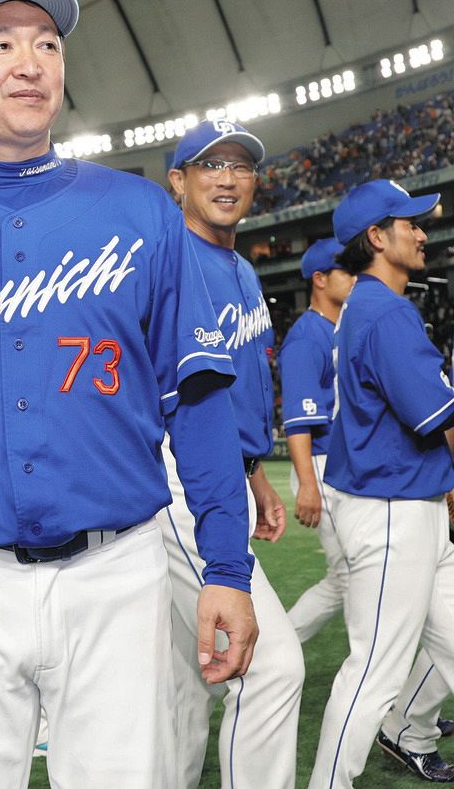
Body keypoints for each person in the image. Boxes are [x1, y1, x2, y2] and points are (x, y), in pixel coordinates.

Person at [0, 0, 256, 788]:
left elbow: (198, 399)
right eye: (1, 43)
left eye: (47, 43)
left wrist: (227, 571)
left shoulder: (140, 212)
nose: (30, 62)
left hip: (117, 574)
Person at [162, 121, 306, 789]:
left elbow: (239, 391)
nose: (226, 177)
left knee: (186, 686)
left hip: (225, 468)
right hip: (176, 470)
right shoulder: (169, 259)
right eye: (209, 164)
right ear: (178, 181)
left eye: (240, 166)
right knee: (270, 664)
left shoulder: (244, 270)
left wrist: (255, 475)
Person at [310, 180, 454, 787]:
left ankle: (409, 729)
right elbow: (441, 419)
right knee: (372, 673)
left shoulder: (367, 305)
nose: (423, 233)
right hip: (393, 508)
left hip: (400, 500)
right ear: (377, 237)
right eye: (410, 223)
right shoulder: (386, 312)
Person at [282, 238, 353, 639]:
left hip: (341, 464)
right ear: (321, 279)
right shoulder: (307, 337)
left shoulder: (342, 328)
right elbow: (297, 421)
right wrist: (307, 483)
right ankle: (276, 651)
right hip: (321, 465)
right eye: (347, 272)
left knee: (351, 574)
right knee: (346, 576)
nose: (357, 278)